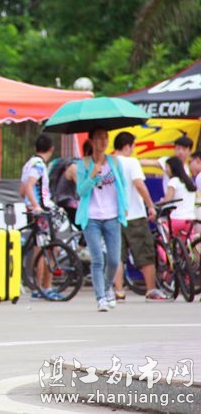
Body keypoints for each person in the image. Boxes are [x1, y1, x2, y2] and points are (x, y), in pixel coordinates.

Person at [75, 126, 128, 312]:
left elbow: (123, 185)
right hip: (92, 218)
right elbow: (80, 191)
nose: (103, 141)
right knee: (97, 260)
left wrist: (125, 207)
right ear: (91, 141)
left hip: (112, 216)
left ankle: (106, 287)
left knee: (113, 260)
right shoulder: (83, 164)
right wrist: (91, 176)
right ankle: (101, 298)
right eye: (98, 138)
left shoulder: (114, 162)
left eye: (105, 137)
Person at [112, 132, 167, 302]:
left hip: (113, 216)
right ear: (127, 146)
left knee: (117, 255)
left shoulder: (108, 162)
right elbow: (139, 184)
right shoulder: (131, 162)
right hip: (134, 215)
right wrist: (150, 205)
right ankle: (151, 289)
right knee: (144, 253)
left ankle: (119, 291)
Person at [19, 134, 63, 301]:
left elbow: (22, 190)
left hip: (33, 211)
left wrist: (31, 205)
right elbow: (29, 186)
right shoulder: (39, 165)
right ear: (51, 149)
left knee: (42, 249)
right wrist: (36, 205)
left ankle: (41, 287)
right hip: (42, 211)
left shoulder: (28, 164)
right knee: (49, 249)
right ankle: (45, 287)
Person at [156, 156, 196, 238]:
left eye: (167, 167)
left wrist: (157, 204)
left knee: (163, 240)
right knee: (186, 243)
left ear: (173, 168)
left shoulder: (173, 181)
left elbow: (167, 201)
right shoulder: (189, 182)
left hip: (177, 219)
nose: (166, 170)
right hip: (190, 219)